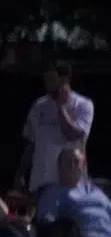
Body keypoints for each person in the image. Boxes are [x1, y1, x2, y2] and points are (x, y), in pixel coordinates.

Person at [21, 62, 93, 195]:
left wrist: (61, 106)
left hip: (72, 186)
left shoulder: (83, 105)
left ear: (64, 80)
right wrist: (20, 173)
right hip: (41, 183)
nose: (47, 83)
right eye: (45, 78)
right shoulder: (39, 105)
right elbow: (31, 143)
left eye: (51, 79)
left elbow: (72, 134)